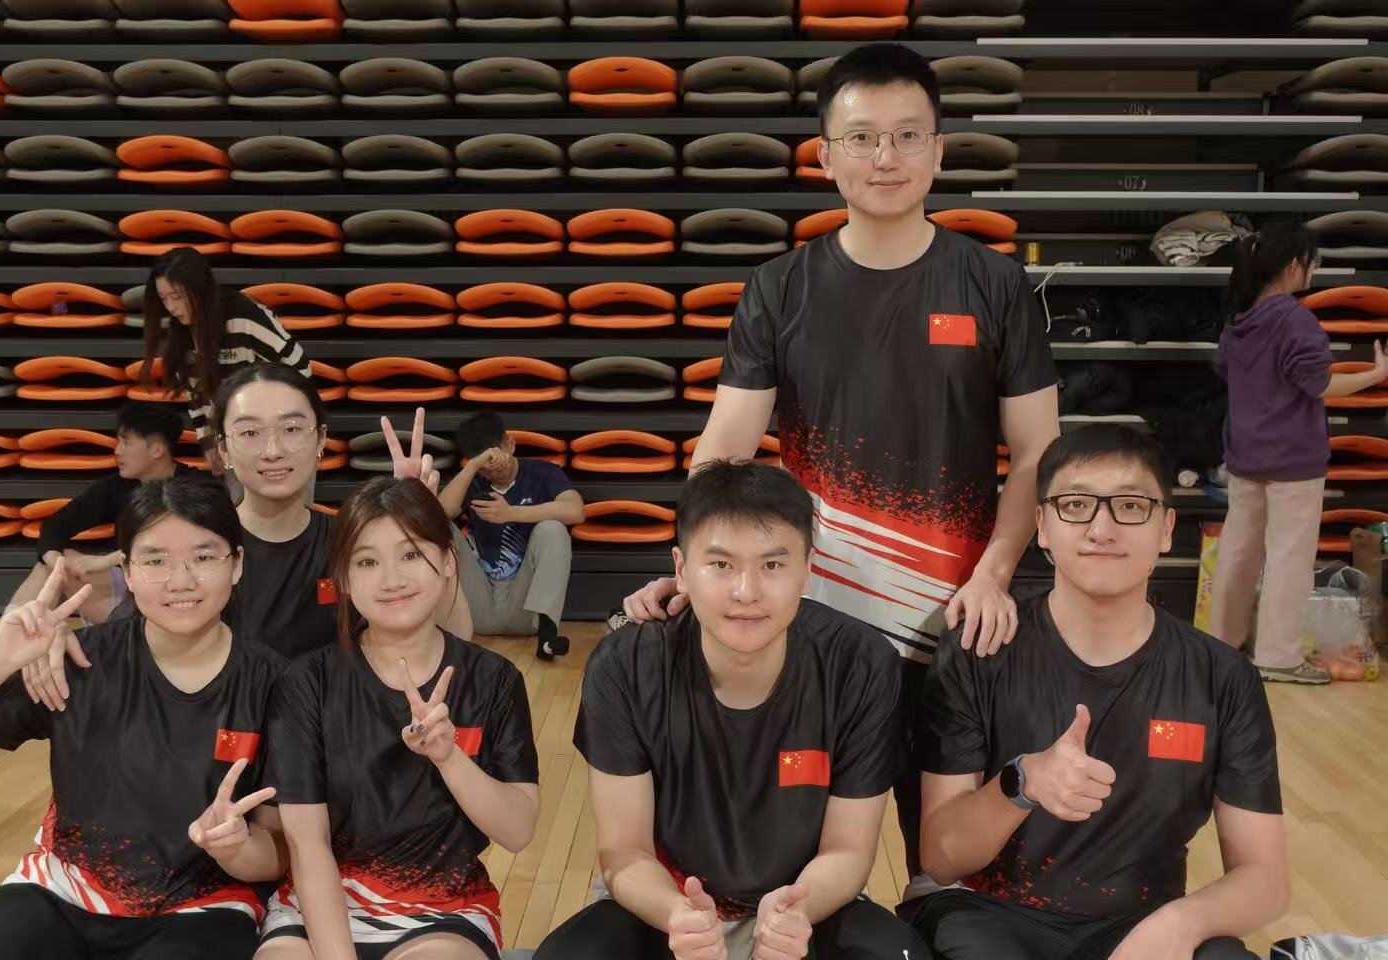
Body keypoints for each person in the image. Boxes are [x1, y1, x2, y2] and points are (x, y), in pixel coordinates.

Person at [619, 41, 1061, 883]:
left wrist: (995, 574)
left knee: (950, 869)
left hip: (959, 621)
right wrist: (696, 567)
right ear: (825, 156)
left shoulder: (995, 285)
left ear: (939, 149)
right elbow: (725, 449)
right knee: (795, 866)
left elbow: (1039, 448)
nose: (885, 157)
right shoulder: (780, 288)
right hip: (813, 622)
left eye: (907, 135)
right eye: (861, 138)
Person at [908, 425, 1288, 960]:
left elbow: (1264, 877)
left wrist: (1178, 925)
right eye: (1076, 505)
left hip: (1140, 925)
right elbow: (942, 858)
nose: (1102, 529)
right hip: (989, 916)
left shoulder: (1222, 677)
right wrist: (1022, 784)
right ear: (1042, 526)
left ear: (1166, 528)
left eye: (1131, 506)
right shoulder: (979, 650)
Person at [536, 460, 929, 960]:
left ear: (808, 569)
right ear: (682, 570)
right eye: (721, 565)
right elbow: (624, 850)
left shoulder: (861, 665)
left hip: (806, 902)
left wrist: (794, 914)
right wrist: (678, 916)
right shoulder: (626, 666)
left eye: (773, 565)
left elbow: (847, 850)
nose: (747, 592)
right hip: (666, 901)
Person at [0, 475, 287, 960]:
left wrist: (238, 849)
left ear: (236, 565)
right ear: (126, 570)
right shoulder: (76, 662)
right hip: (61, 891)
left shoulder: (276, 685)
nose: (181, 580)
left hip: (202, 908)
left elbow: (280, 852)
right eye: (155, 560)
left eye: (204, 556)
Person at [18, 368, 472, 703]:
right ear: (224, 450)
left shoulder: (352, 541)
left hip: (331, 743)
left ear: (320, 440)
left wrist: (423, 526)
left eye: (291, 429)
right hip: (221, 746)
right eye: (250, 432)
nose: (272, 450)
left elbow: (457, 636)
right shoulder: (195, 547)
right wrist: (56, 639)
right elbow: (125, 639)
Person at [256, 476, 539, 960]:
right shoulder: (307, 681)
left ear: (448, 561)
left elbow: (517, 832)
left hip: (444, 910)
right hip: (317, 907)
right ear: (344, 579)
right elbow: (307, 844)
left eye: (410, 554)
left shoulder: (494, 679)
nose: (392, 579)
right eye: (367, 561)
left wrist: (449, 758)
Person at [1209, 221, 1388, 684]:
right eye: (1313, 262)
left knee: (1237, 555)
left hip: (1246, 456)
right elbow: (1320, 384)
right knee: (1288, 561)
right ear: (1294, 266)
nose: (1314, 270)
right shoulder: (1295, 319)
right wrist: (1375, 375)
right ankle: (1277, 657)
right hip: (1293, 461)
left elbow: (1225, 370)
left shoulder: (1240, 320)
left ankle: (1220, 646)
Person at [0, 403, 185, 670]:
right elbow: (54, 529)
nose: (117, 451)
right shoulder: (118, 487)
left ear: (157, 450)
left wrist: (105, 561)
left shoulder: (194, 489)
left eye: (126, 443)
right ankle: (0, 646)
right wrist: (58, 562)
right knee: (56, 563)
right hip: (128, 590)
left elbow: (176, 552)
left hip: (167, 600)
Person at [139, 248, 311, 479]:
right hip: (235, 441)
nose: (171, 307)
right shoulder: (182, 332)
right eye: (164, 298)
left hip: (281, 437)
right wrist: (209, 442)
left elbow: (300, 369)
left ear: (200, 289)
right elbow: (198, 396)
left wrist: (274, 424)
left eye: (177, 297)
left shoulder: (243, 315)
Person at [437, 411, 584, 661]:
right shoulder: (472, 479)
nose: (493, 468)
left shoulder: (543, 473)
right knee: (439, 528)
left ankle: (547, 638)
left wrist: (512, 513)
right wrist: (473, 466)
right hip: (477, 607)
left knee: (553, 528)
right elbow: (439, 515)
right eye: (485, 464)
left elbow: (575, 510)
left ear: (511, 444)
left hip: (527, 609)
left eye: (497, 455)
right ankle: (441, 630)